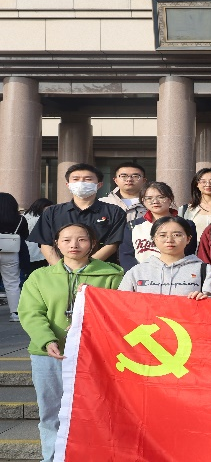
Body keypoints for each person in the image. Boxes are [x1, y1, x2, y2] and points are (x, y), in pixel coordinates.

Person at [18, 223, 123, 462]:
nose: (74, 245)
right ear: (56, 243)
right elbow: (31, 313)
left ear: (93, 243)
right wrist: (47, 340)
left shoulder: (112, 275)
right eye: (66, 240)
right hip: (49, 354)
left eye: (81, 239)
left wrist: (88, 330)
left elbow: (118, 313)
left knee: (97, 411)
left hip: (96, 355)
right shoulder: (41, 276)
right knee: (51, 413)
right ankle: (52, 458)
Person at [28, 163, 126, 265]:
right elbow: (45, 244)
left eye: (88, 179)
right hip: (60, 270)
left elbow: (113, 244)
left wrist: (84, 267)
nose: (81, 183)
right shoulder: (52, 212)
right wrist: (60, 268)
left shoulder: (115, 212)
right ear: (68, 185)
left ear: (99, 185)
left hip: (101, 269)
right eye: (76, 179)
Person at [119, 216, 211, 298]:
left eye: (177, 235)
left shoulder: (205, 271)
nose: (169, 240)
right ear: (154, 239)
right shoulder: (137, 271)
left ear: (188, 239)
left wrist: (206, 299)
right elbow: (121, 303)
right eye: (162, 235)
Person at [118, 182, 197, 272]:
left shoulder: (187, 225)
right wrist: (139, 274)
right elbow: (126, 255)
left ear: (170, 199)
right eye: (149, 198)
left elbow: (189, 253)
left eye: (161, 197)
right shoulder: (133, 226)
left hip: (176, 274)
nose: (155, 201)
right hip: (141, 276)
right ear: (143, 201)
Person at [0, 193, 29, 322]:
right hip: (11, 252)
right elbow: (25, 235)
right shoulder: (20, 219)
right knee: (12, 283)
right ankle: (15, 313)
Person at [178, 168, 211, 245]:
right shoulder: (185, 210)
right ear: (197, 184)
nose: (208, 184)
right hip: (193, 251)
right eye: (203, 181)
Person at [22, 198, 54, 276]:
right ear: (42, 207)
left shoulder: (23, 217)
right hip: (39, 254)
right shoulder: (42, 219)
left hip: (25, 252)